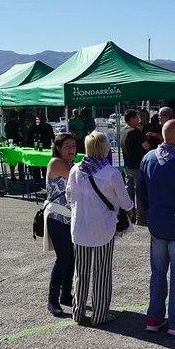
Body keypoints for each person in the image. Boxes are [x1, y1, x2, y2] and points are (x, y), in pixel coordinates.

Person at [137, 119, 175, 336]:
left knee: (157, 273)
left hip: (156, 223)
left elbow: (141, 193)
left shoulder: (148, 158)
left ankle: (154, 317)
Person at [67, 131, 134, 325]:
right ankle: (99, 314)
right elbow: (126, 202)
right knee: (102, 273)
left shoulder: (75, 170)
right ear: (104, 149)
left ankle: (78, 312)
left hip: (79, 227)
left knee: (80, 272)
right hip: (103, 228)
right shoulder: (111, 173)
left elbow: (69, 196)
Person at [44, 133, 78, 317]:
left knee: (72, 258)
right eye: (67, 146)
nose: (71, 149)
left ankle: (66, 295)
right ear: (58, 148)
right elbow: (77, 179)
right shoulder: (56, 163)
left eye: (73, 146)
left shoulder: (73, 164)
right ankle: (52, 299)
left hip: (72, 218)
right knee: (63, 258)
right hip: (57, 217)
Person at [120, 109, 149, 225]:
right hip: (137, 166)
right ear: (131, 119)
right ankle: (140, 218)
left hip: (127, 166)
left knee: (129, 192)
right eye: (137, 117)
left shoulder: (122, 131)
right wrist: (141, 134)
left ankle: (129, 216)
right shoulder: (134, 132)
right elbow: (146, 146)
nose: (139, 120)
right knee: (139, 193)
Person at [4, 110, 25, 181]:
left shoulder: (7, 124)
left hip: (10, 144)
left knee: (11, 161)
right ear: (16, 116)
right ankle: (21, 175)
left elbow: (6, 135)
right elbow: (20, 134)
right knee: (20, 160)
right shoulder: (17, 124)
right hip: (18, 143)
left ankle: (12, 175)